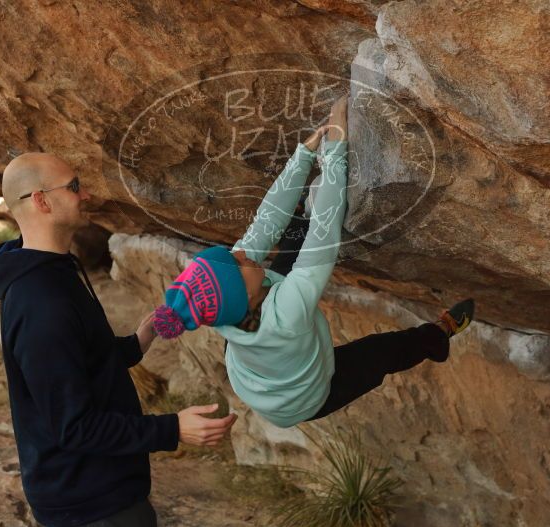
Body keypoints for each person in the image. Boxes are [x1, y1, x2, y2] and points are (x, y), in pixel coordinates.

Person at [151, 95, 475, 429]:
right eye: (237, 261)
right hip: (302, 399)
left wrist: (303, 155)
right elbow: (326, 232)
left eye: (231, 254)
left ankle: (300, 218)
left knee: (284, 252)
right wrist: (336, 151)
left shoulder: (228, 296)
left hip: (256, 371)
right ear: (245, 297)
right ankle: (440, 333)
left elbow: (266, 222)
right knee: (380, 353)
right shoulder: (286, 312)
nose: (241, 251)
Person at [0, 153, 237, 527]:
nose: (85, 195)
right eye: (73, 187)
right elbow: (74, 427)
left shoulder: (54, 272)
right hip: (90, 507)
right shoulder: (40, 302)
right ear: (41, 200)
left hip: (101, 491)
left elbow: (81, 361)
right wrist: (172, 429)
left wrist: (138, 341)